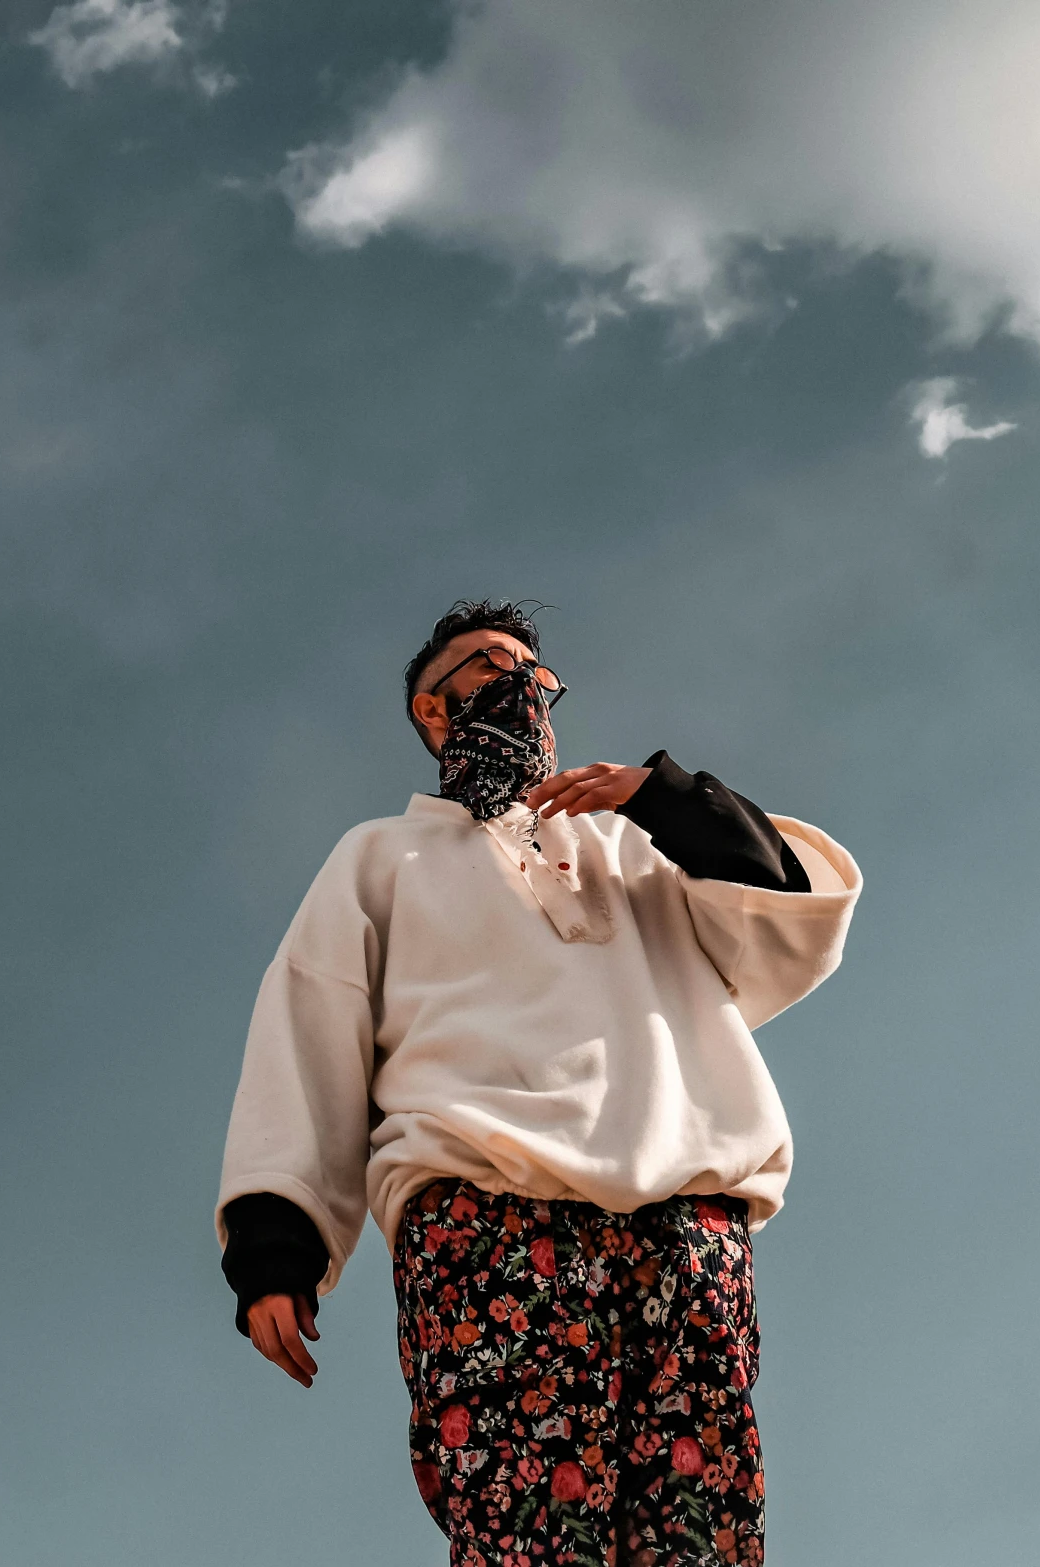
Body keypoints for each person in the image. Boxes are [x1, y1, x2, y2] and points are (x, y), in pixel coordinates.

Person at [215, 600, 860, 1567]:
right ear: (434, 713)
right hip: (489, 1218)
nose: (521, 683)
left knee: (702, 1537)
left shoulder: (637, 846)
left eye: (534, 671)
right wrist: (276, 1249)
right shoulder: (380, 858)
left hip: (686, 1222)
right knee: (530, 1537)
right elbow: (311, 1024)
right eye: (486, 666)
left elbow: (787, 910)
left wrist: (661, 795)